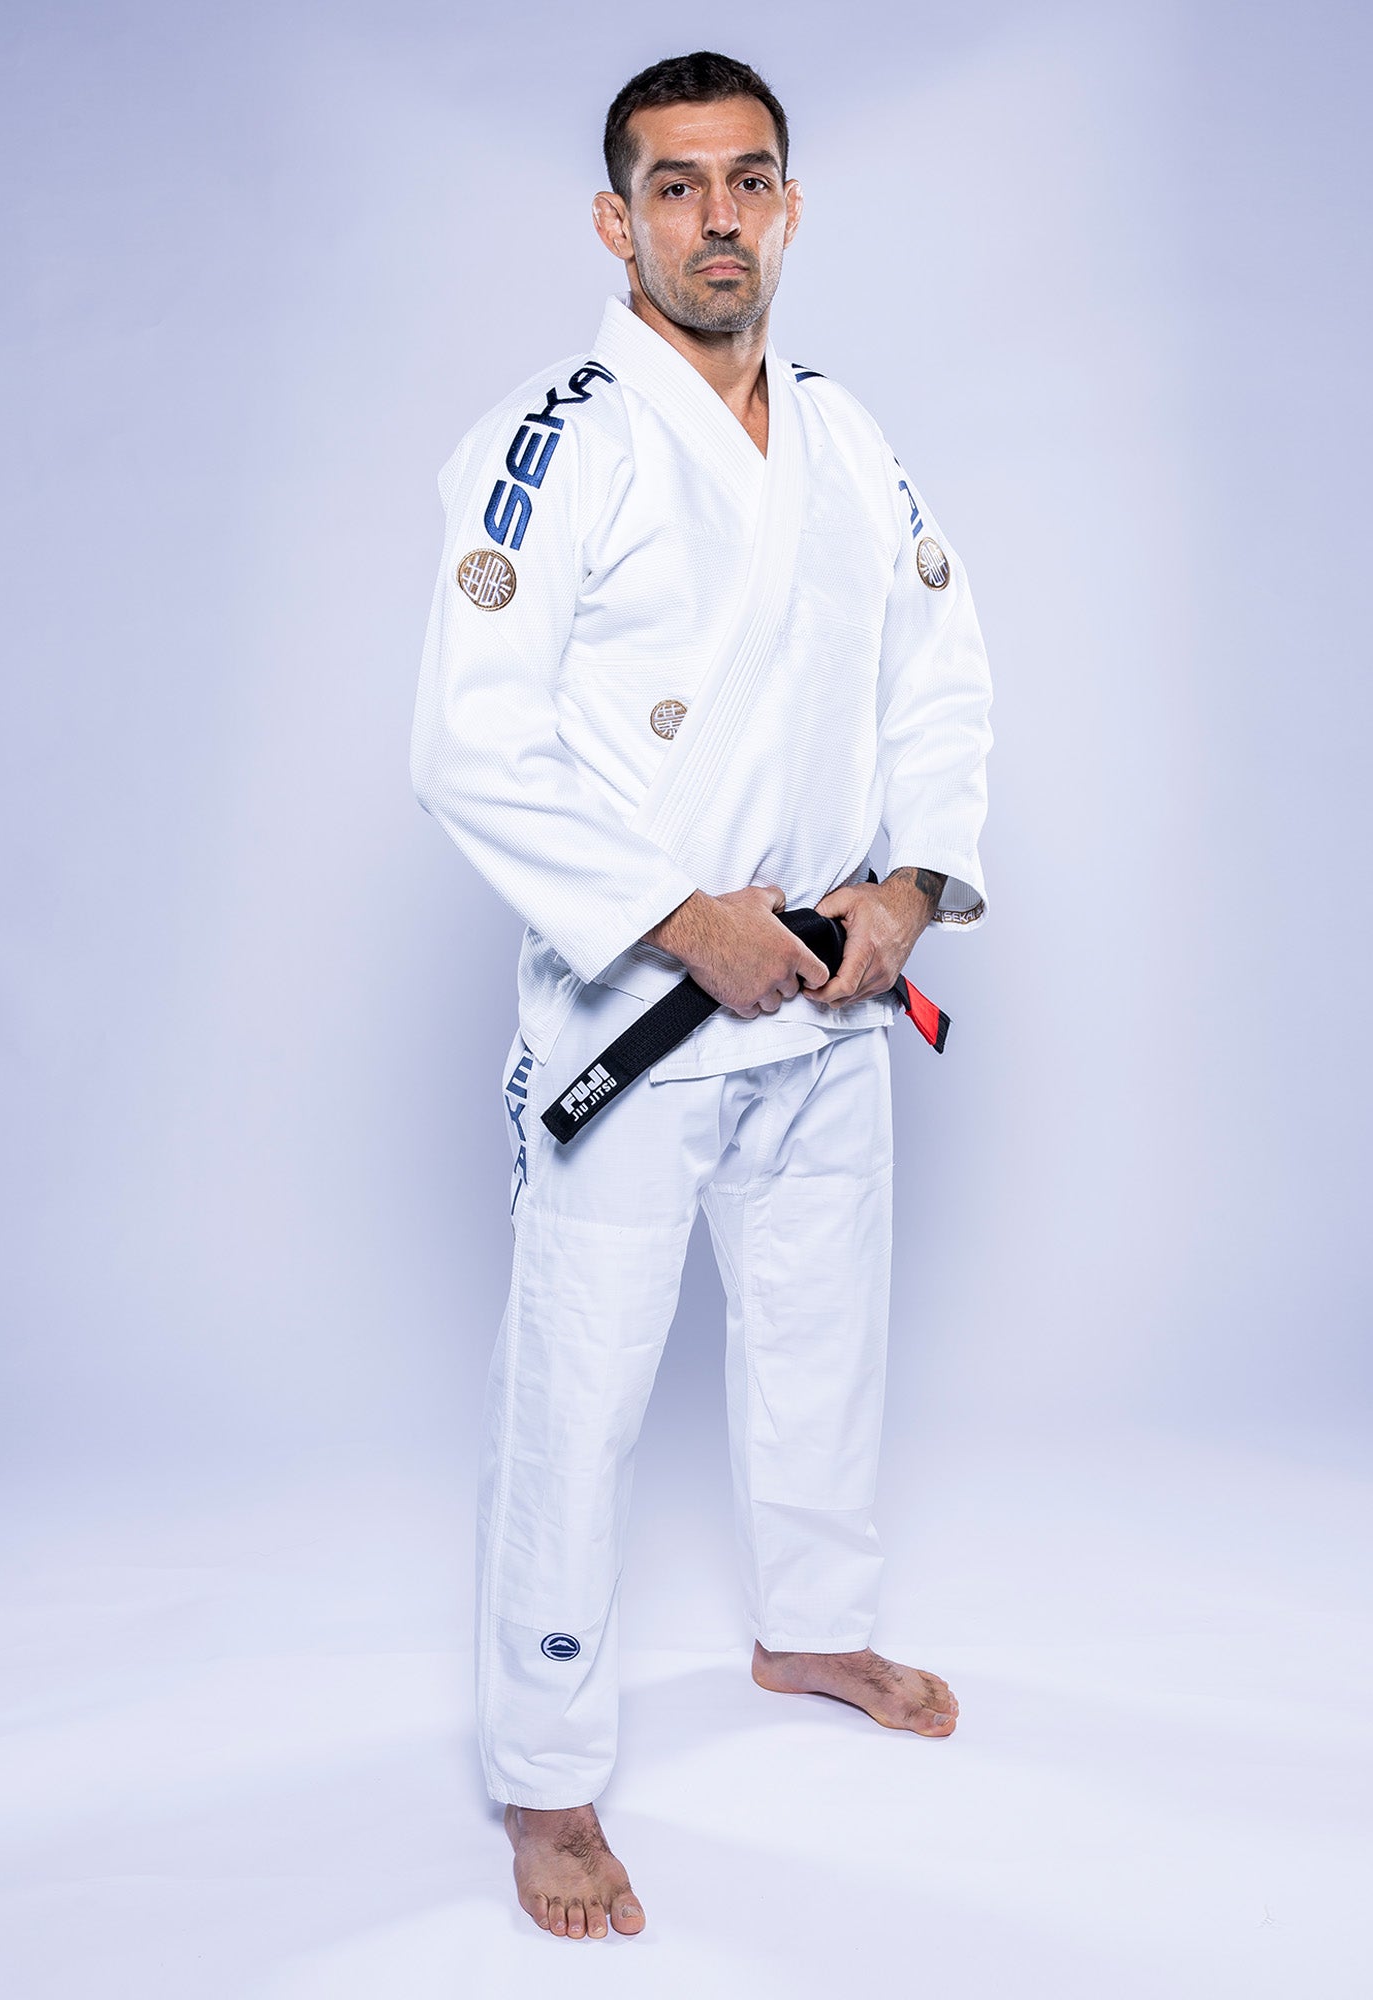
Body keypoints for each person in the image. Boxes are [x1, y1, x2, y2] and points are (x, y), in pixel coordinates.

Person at [410, 50, 994, 1941]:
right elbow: (469, 747)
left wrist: (909, 883)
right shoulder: (552, 437)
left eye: (750, 181)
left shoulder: (847, 430)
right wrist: (679, 917)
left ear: (792, 207)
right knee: (575, 1398)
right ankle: (549, 1780)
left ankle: (813, 1634)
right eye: (677, 187)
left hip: (827, 991)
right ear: (617, 220)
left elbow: (942, 667)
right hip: (635, 1019)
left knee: (826, 1329)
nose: (718, 218)